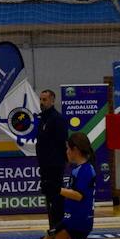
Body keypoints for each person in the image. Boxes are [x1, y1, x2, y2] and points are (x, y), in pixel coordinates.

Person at [31, 132, 95, 239]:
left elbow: (80, 196)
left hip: (78, 220)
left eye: (68, 148)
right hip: (72, 218)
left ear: (75, 150)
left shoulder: (86, 170)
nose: (66, 152)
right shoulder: (79, 169)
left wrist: (56, 189)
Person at [37, 89, 70, 229]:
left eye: (45, 100)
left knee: (56, 197)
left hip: (55, 165)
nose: (42, 102)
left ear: (52, 100)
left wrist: (61, 161)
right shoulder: (43, 118)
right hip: (45, 165)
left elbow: (62, 142)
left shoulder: (57, 119)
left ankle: (58, 228)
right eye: (41, 99)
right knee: (49, 197)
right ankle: (52, 229)